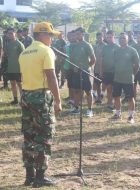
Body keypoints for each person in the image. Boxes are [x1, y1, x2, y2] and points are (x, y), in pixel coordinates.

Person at [19, 22, 62, 187]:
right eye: (50, 35)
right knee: (44, 136)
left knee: (29, 136)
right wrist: (58, 100)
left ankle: (29, 175)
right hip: (41, 97)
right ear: (42, 35)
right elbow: (51, 77)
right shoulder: (46, 51)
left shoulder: (24, 52)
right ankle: (40, 177)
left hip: (26, 96)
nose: (51, 39)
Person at [112, 32, 140, 123]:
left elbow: (137, 64)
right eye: (120, 38)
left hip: (128, 79)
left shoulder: (132, 50)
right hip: (117, 78)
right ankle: (117, 114)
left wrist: (133, 74)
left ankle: (131, 116)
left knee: (130, 98)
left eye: (124, 38)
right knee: (116, 96)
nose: (121, 40)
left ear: (127, 40)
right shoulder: (116, 50)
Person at [70, 27, 96, 117]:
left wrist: (86, 67)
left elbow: (93, 59)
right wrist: (74, 67)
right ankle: (76, 108)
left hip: (85, 72)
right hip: (76, 72)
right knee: (76, 91)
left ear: (83, 34)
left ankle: (89, 110)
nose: (76, 36)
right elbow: (72, 59)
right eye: (75, 34)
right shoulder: (74, 45)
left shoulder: (87, 45)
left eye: (78, 34)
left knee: (88, 91)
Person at [100, 30, 119, 110]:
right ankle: (109, 103)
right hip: (107, 71)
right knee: (109, 88)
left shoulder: (117, 47)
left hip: (115, 71)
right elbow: (101, 60)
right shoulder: (104, 47)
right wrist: (101, 71)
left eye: (111, 37)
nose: (109, 39)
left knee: (115, 88)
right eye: (107, 37)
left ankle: (115, 103)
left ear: (114, 37)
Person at [5, 28, 25, 104]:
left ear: (15, 33)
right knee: (12, 84)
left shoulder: (19, 44)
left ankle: (23, 100)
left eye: (11, 33)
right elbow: (7, 55)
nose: (10, 35)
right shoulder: (8, 44)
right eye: (8, 33)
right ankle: (15, 99)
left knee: (20, 84)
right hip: (11, 68)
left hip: (18, 68)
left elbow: (24, 57)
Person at [93, 32, 106, 104]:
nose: (99, 39)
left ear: (103, 37)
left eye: (100, 37)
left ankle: (102, 95)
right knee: (97, 83)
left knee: (104, 83)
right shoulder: (96, 46)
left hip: (104, 68)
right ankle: (98, 98)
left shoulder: (106, 46)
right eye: (98, 38)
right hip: (97, 68)